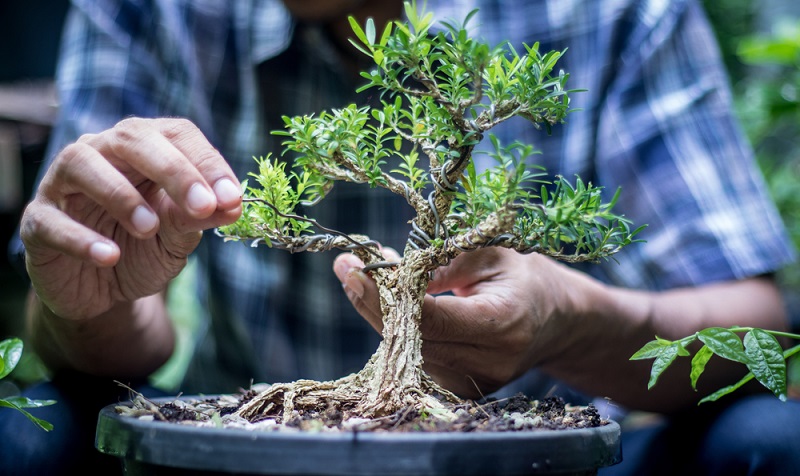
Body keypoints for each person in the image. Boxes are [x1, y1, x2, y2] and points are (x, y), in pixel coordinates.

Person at [3, 0, 799, 474]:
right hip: (245, 445)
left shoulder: (608, 10)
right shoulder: (152, 8)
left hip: (556, 452)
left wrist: (577, 315)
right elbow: (102, 330)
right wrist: (88, 304)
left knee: (773, 437)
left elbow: (756, 318)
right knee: (21, 432)